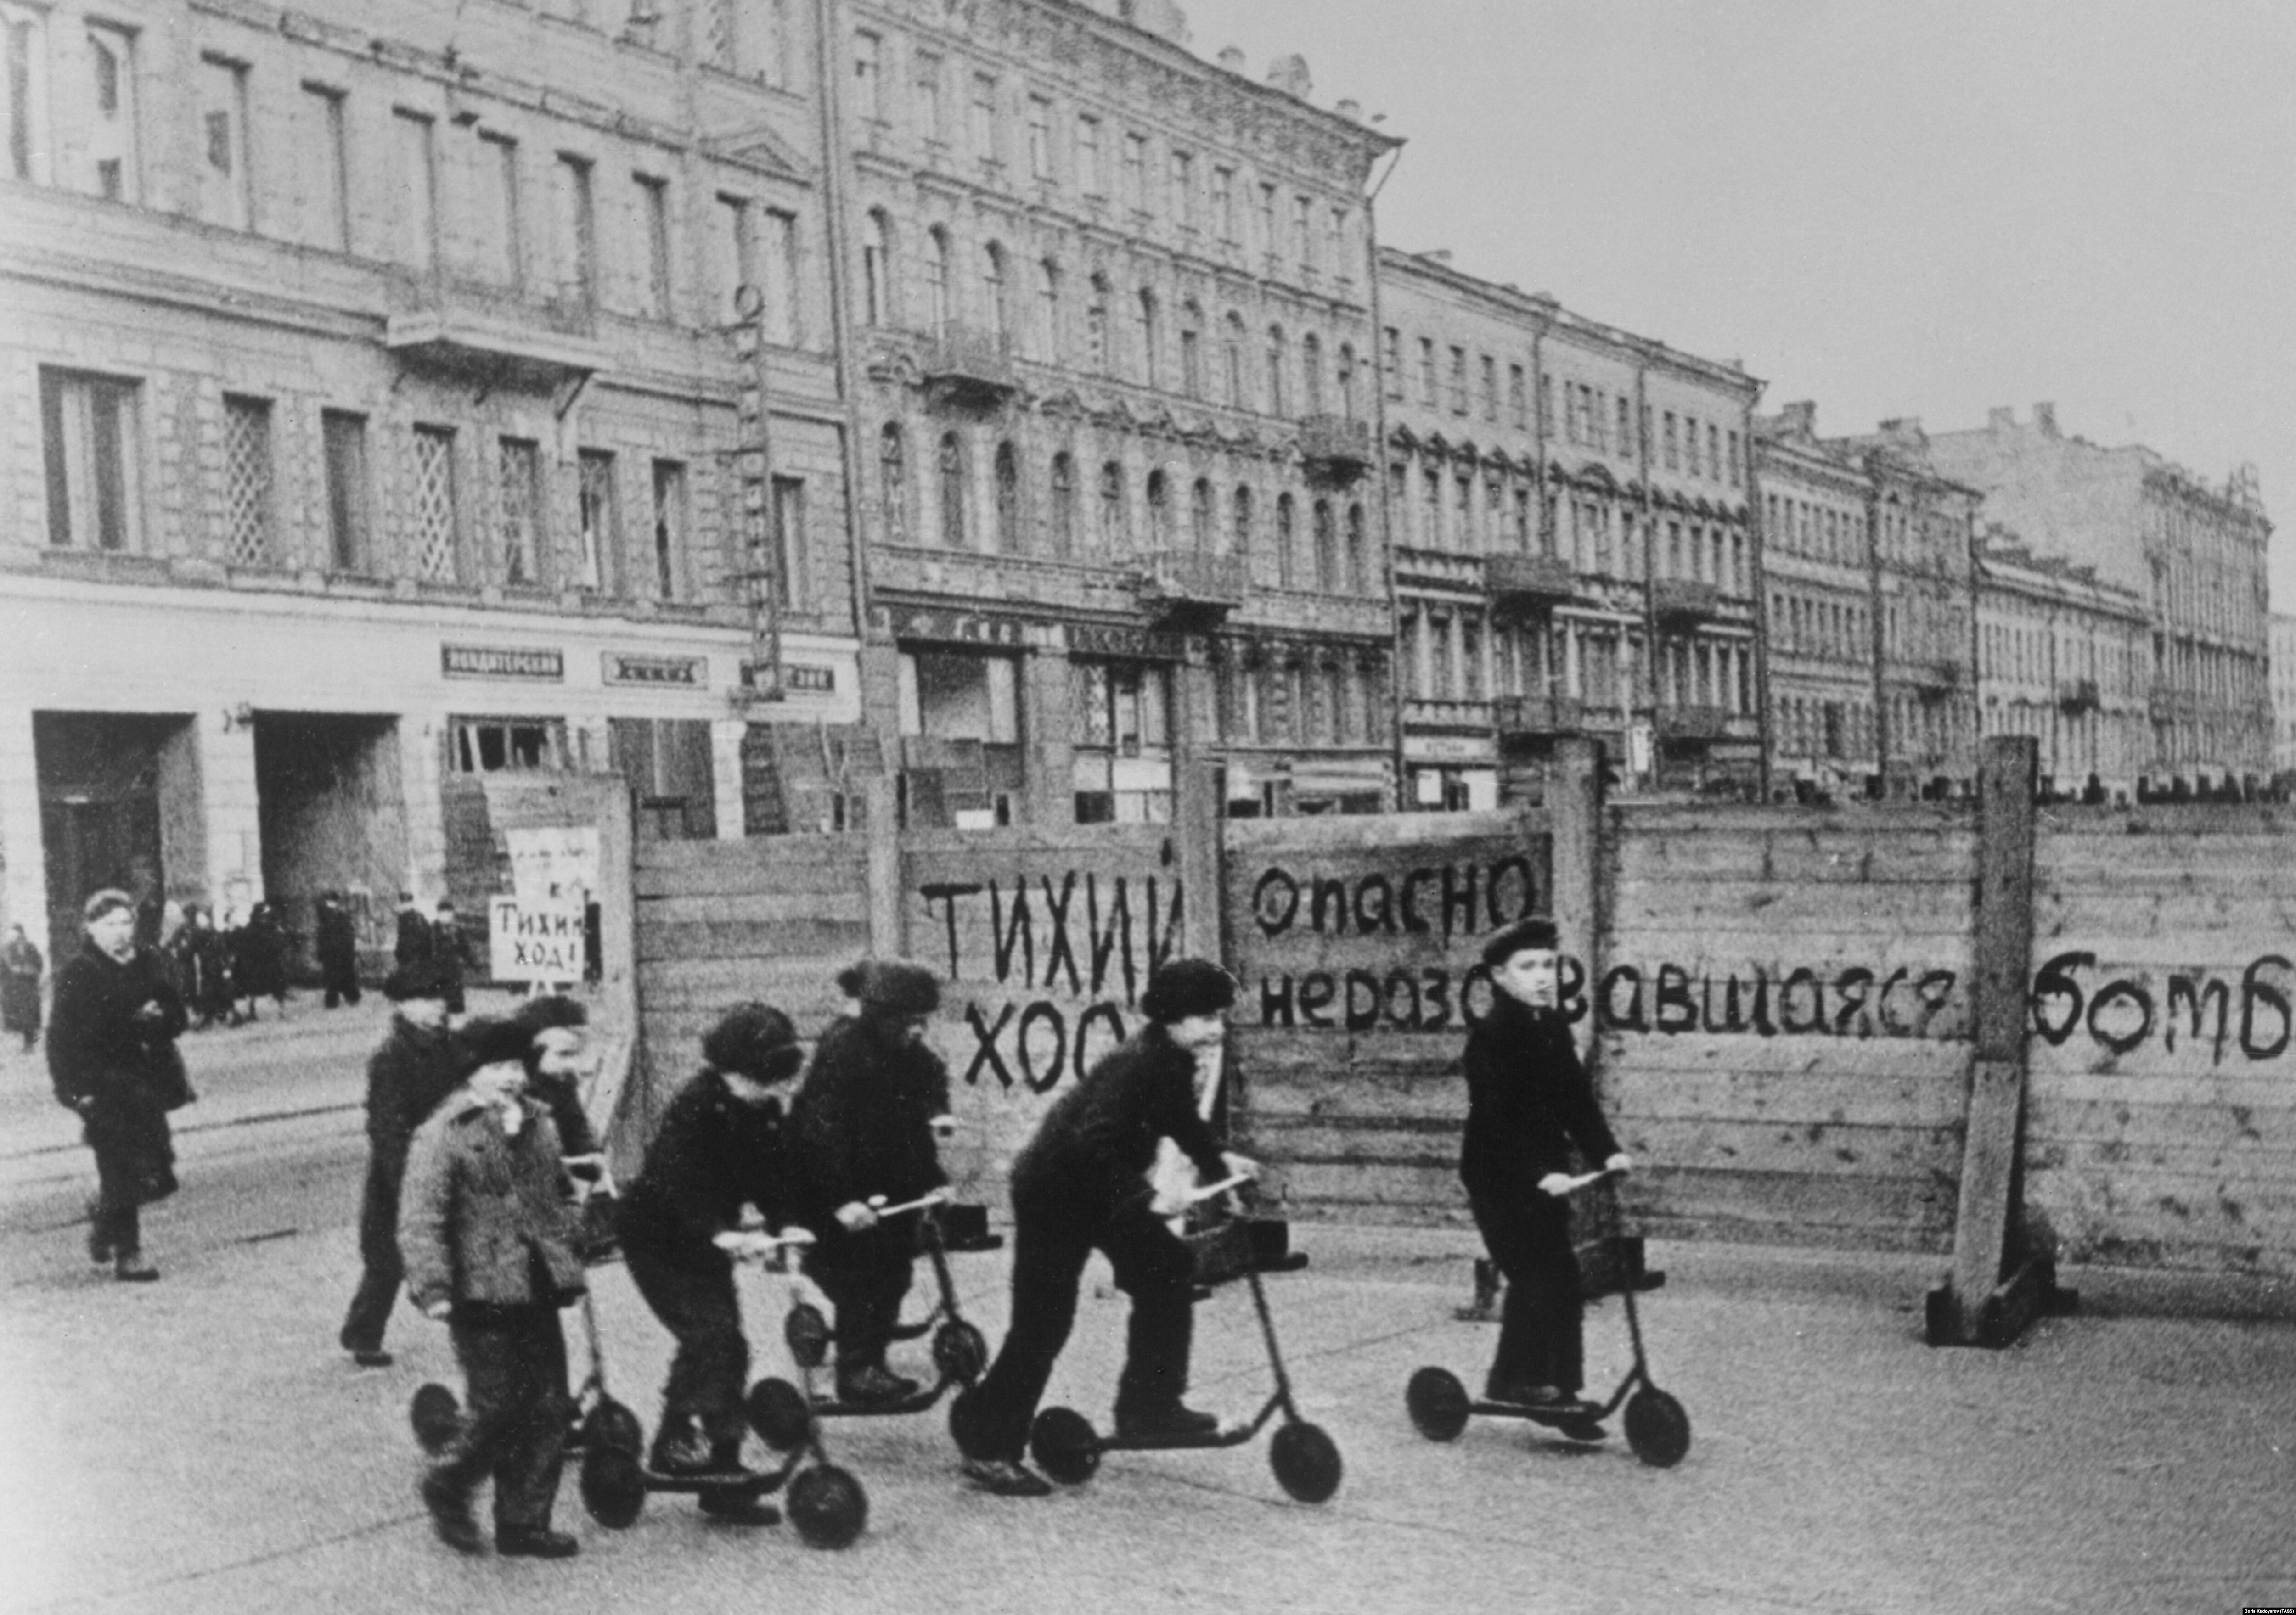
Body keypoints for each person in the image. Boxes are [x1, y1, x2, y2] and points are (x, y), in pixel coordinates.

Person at [957, 958, 1256, 1497]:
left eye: (1220, 1016)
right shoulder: (1136, 1065)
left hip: (1099, 1188)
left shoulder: (1170, 1057)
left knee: (1167, 1266)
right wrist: (1148, 1198)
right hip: (1055, 1191)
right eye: (1207, 1016)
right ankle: (987, 1447)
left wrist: (1219, 1166)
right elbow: (1090, 1144)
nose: (1218, 1028)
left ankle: (1149, 1406)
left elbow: (1181, 1120)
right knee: (1043, 1322)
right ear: (1172, 1015)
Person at [399, 1016, 588, 1560]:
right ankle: (448, 1480)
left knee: (549, 1405)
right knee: (497, 1405)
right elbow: (421, 1216)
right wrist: (433, 1285)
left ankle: (523, 1523)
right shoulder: (444, 1131)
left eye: (516, 1065)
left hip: (537, 1282)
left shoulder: (540, 1121)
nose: (509, 1077)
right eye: (495, 1067)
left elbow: (558, 1193)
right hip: (478, 1288)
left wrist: (570, 1242)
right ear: (472, 1073)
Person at [618, 1003, 809, 1525]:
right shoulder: (695, 1106)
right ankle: (674, 1444)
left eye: (775, 1082)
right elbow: (678, 1181)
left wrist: (787, 1223)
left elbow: (774, 1174)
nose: (769, 1091)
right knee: (711, 1336)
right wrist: (720, 1231)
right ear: (729, 1071)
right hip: (658, 1239)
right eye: (759, 1081)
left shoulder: (761, 1108)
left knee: (726, 1342)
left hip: (706, 1243)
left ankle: (722, 1471)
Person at [1461, 915, 1632, 1412]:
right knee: (1537, 1275)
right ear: (1498, 976)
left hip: (1547, 1176)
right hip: (1499, 1177)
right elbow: (1495, 1121)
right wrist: (1539, 1173)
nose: (1541, 977)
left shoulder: (1552, 1027)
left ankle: (1556, 1386)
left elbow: (1576, 1102)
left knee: (1562, 1276)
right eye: (1527, 966)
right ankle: (1518, 1383)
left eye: (1548, 965)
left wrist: (1606, 1151)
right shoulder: (1492, 1037)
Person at [787, 960, 953, 1406]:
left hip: (879, 1186)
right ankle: (856, 1371)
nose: (919, 1029)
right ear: (883, 1014)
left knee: (894, 1272)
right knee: (860, 1275)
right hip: (829, 1189)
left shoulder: (904, 1051)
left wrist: (934, 1178)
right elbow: (821, 1133)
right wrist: (841, 1199)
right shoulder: (844, 1051)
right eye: (911, 1019)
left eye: (923, 1020)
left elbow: (917, 1116)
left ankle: (871, 1355)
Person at [45, 889, 190, 1283]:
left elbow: (177, 1016)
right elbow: (60, 1039)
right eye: (110, 924)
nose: (121, 932)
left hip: (146, 1084)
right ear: (91, 928)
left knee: (159, 1172)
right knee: (119, 1168)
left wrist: (160, 1018)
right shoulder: (79, 971)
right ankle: (130, 1254)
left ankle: (104, 1211)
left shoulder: (148, 964)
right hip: (101, 1084)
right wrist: (75, 1093)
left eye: (126, 923)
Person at [338, 956, 462, 1368]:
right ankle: (363, 1335)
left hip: (445, 1163)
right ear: (403, 1006)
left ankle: (474, 1332)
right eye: (427, 1000)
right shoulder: (391, 1057)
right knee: (386, 1262)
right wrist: (408, 1181)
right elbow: (387, 1129)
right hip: (399, 1175)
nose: (438, 1007)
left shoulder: (451, 1048)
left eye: (440, 998)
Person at [173, 905, 234, 1030]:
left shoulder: (215, 933)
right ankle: (209, 1017)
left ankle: (222, 1016)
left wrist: (227, 967)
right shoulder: (197, 933)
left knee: (219, 991)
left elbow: (224, 952)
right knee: (206, 992)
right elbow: (188, 949)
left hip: (216, 967)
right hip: (205, 967)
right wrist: (182, 951)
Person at [231, 901, 288, 1021]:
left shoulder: (255, 927)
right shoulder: (267, 927)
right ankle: (278, 1010)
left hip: (260, 963)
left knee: (256, 987)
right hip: (265, 963)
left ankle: (256, 1011)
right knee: (271, 986)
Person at [316, 892, 362, 1009]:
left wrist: (321, 953)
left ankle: (337, 1001)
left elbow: (322, 936)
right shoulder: (339, 915)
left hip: (334, 952)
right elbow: (349, 935)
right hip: (339, 952)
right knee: (343, 976)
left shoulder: (329, 916)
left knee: (335, 978)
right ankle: (350, 998)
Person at [2, 923, 43, 1052]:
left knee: (29, 1017)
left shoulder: (31, 947)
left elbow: (39, 964)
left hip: (29, 987)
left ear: (22, 935)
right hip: (15, 989)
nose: (17, 939)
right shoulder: (8, 950)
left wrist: (29, 969)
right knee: (19, 1018)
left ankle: (30, 1044)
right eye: (14, 936)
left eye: (18, 936)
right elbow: (2, 970)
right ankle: (28, 1043)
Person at [432, 901, 468, 1016]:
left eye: (449, 914)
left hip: (453, 972)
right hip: (437, 971)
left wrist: (471, 962)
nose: (447, 917)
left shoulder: (457, 930)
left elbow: (465, 949)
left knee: (455, 1005)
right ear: (439, 914)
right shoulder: (432, 931)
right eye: (444, 914)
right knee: (436, 1005)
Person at [394, 892, 433, 970]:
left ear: (412, 903)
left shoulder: (418, 917)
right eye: (404, 903)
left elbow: (426, 937)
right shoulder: (402, 917)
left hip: (417, 957)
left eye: (408, 903)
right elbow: (401, 939)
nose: (406, 906)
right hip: (406, 957)